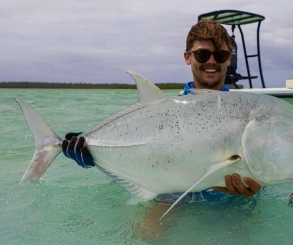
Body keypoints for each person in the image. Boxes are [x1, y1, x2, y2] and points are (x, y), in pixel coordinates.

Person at [62, 19, 261, 200]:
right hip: (170, 199)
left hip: (230, 207)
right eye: (202, 54)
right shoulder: (163, 110)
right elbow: (132, 144)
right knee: (147, 235)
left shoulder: (248, 114)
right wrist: (90, 148)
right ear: (187, 57)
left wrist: (255, 189)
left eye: (220, 54)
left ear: (228, 59)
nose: (211, 61)